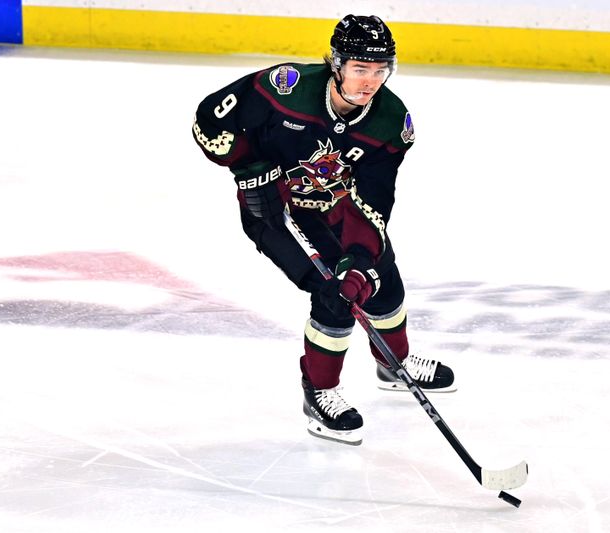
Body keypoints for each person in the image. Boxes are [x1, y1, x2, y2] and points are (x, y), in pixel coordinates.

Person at [192, 14, 455, 445]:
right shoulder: (285, 87)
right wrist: (247, 167)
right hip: (276, 211)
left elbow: (374, 201)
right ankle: (320, 390)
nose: (370, 81)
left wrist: (362, 261)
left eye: (379, 69)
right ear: (336, 64)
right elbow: (209, 120)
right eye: (360, 69)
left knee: (381, 279)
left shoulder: (391, 123)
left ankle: (395, 363)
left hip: (335, 205)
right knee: (332, 292)